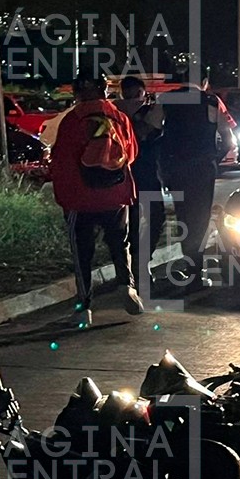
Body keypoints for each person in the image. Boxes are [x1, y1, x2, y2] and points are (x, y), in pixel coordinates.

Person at [49, 69, 144, 326]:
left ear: (77, 92)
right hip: (116, 195)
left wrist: (65, 197)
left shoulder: (71, 120)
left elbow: (61, 162)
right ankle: (127, 287)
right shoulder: (120, 117)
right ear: (105, 90)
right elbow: (132, 153)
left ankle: (84, 308)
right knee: (119, 243)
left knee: (82, 254)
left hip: (81, 198)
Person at [159, 77, 234, 291]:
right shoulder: (211, 102)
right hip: (202, 171)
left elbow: (152, 128)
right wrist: (214, 159)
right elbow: (227, 138)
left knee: (183, 217)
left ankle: (190, 268)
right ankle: (195, 274)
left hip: (175, 169)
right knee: (199, 220)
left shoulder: (167, 100)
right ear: (205, 81)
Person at [114, 76, 166, 288]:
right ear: (141, 92)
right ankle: (141, 263)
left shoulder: (113, 112)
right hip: (147, 175)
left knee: (127, 222)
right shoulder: (150, 112)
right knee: (154, 218)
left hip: (119, 176)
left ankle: (129, 267)